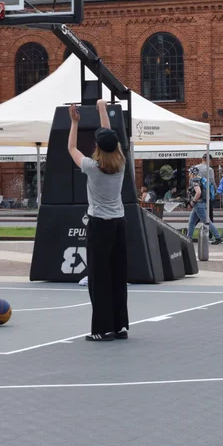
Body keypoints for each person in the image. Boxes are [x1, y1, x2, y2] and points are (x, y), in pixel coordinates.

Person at [67, 99, 129, 342]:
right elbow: (109, 134)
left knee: (99, 277)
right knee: (117, 274)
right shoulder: (121, 163)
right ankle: (120, 325)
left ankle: (103, 329)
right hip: (119, 224)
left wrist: (74, 122)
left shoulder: (92, 167)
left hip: (99, 225)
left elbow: (72, 148)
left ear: (98, 148)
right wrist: (103, 108)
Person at [186, 165, 222, 245]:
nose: (188, 173)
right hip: (201, 203)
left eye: (189, 172)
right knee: (191, 222)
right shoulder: (200, 179)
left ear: (192, 173)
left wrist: (193, 201)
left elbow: (198, 192)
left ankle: (218, 237)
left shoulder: (194, 180)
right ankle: (188, 238)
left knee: (207, 221)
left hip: (198, 204)